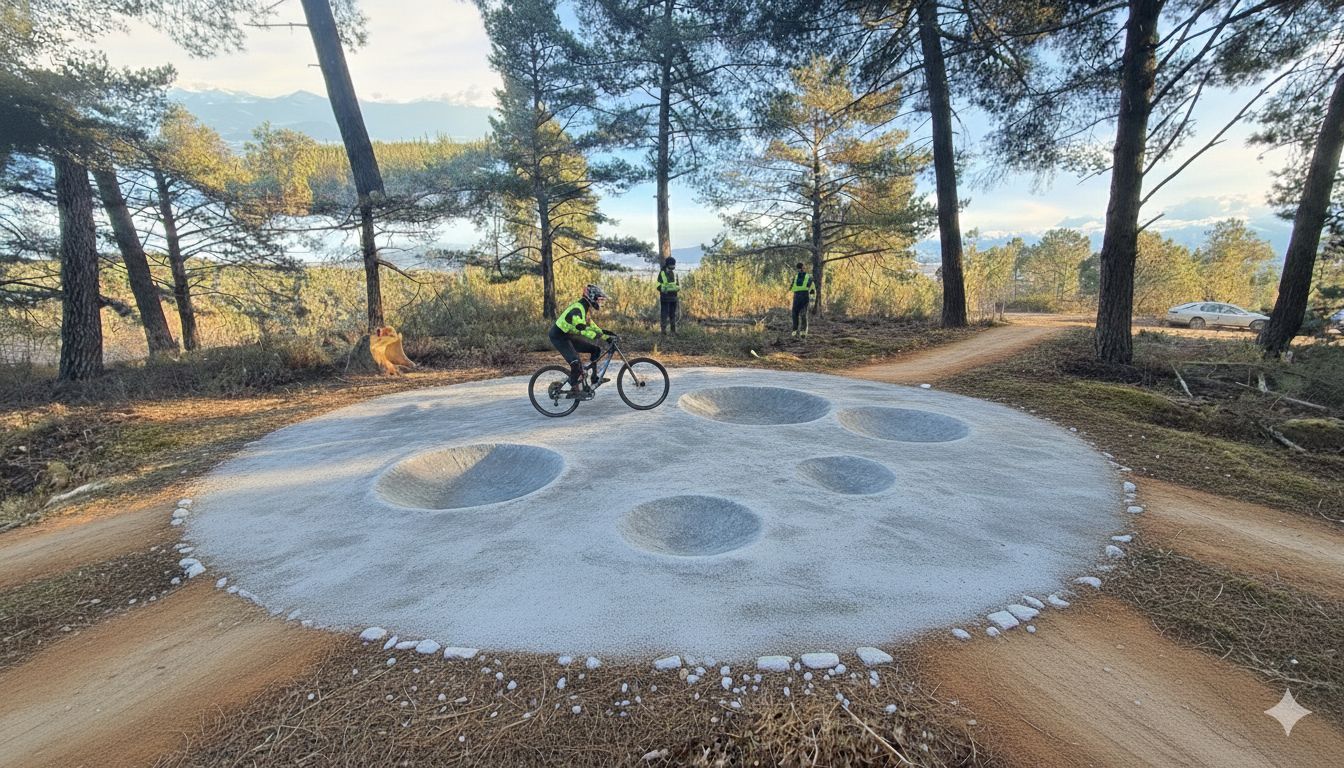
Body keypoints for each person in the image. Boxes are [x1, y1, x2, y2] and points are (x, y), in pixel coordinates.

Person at [550, 284, 616, 393]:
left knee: (596, 350)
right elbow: (581, 328)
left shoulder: (584, 308)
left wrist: (606, 337)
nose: (599, 302)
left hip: (568, 336)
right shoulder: (577, 309)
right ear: (591, 297)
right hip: (558, 337)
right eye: (598, 299)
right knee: (575, 363)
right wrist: (596, 336)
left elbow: (592, 326)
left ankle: (594, 378)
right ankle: (573, 388)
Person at [789, 262, 816, 338]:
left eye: (802, 268)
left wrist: (812, 301)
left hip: (805, 297)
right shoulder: (795, 277)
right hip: (796, 297)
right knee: (794, 314)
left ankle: (803, 331)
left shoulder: (809, 277)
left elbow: (812, 289)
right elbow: (791, 287)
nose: (801, 270)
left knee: (803, 314)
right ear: (798, 269)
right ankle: (795, 330)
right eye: (800, 268)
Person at [656, 256, 680, 335]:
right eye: (672, 265)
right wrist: (665, 289)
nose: (673, 266)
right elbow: (658, 286)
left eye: (674, 265)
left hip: (674, 297)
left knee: (673, 314)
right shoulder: (662, 273)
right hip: (665, 297)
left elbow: (677, 284)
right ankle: (663, 331)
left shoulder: (675, 273)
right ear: (667, 264)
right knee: (664, 314)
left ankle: (673, 331)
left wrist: (677, 288)